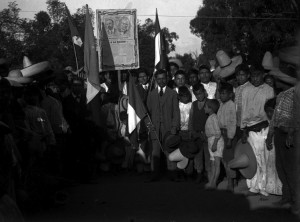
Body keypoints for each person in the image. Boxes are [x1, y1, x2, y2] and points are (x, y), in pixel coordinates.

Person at [241, 68, 275, 196]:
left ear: (262, 75)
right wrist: (244, 130)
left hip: (264, 128)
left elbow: (271, 112)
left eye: (258, 76)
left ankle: (264, 187)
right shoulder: (246, 90)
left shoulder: (268, 89)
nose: (255, 79)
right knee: (253, 158)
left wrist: (271, 131)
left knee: (263, 158)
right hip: (250, 128)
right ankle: (254, 185)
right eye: (253, 76)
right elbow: (244, 111)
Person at [146, 69, 180, 182]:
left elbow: (176, 111)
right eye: (159, 78)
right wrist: (149, 126)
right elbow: (147, 113)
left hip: (168, 127)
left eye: (163, 78)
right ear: (155, 79)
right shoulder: (151, 94)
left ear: (167, 78)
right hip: (155, 127)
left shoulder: (173, 93)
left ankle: (172, 172)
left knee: (169, 150)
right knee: (155, 151)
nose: (161, 81)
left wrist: (174, 126)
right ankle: (154, 173)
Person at [217, 82, 236, 191]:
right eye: (221, 93)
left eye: (224, 93)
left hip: (228, 135)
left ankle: (231, 182)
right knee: (224, 159)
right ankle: (230, 179)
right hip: (222, 134)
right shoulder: (221, 105)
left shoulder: (231, 105)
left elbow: (232, 123)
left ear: (230, 95)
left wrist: (230, 138)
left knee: (229, 159)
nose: (222, 95)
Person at [189, 83, 210, 183]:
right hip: (196, 134)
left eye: (201, 93)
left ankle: (209, 175)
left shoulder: (210, 103)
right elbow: (191, 119)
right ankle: (199, 173)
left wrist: (207, 133)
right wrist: (191, 131)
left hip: (207, 135)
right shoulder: (194, 104)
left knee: (208, 156)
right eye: (197, 94)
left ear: (205, 92)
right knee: (198, 155)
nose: (199, 96)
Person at [204, 99, 224, 189]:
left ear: (210, 108)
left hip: (216, 141)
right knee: (212, 163)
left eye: (206, 107)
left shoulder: (214, 118)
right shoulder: (210, 117)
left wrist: (215, 143)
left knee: (216, 163)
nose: (204, 108)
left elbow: (218, 132)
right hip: (211, 141)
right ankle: (212, 182)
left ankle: (214, 182)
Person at [234, 64, 252, 141]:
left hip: (247, 126)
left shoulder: (251, 88)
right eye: (238, 75)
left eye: (242, 75)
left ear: (248, 75)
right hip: (238, 124)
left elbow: (250, 110)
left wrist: (245, 128)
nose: (239, 77)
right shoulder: (237, 89)